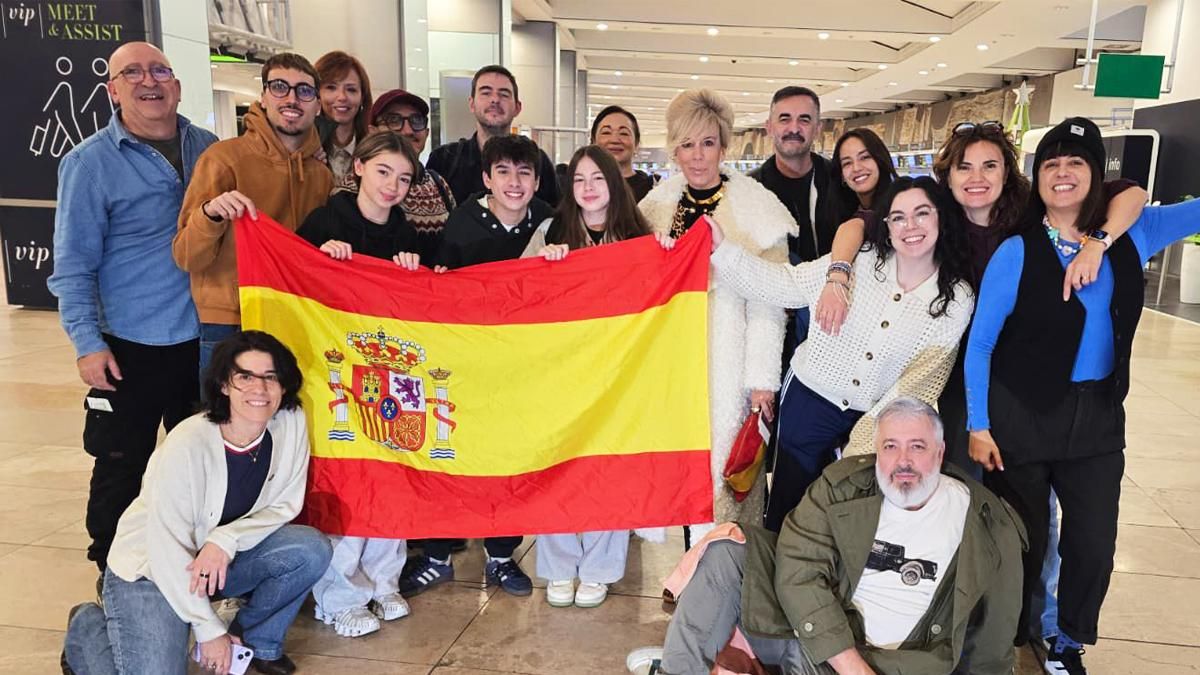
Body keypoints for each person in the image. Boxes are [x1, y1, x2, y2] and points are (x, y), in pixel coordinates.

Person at [965, 116, 1200, 675]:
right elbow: (981, 345)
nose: (1063, 173)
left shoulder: (1130, 235)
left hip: (1096, 418)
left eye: (1076, 163)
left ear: (1097, 176)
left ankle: (1069, 639)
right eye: (1051, 164)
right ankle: (1020, 638)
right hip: (1019, 415)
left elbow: (1181, 207)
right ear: (1037, 178)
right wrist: (979, 424)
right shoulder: (1016, 252)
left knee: (1093, 542)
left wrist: (1103, 236)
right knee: (1024, 542)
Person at [627, 398, 1025, 675]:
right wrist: (849, 664)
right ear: (877, 451)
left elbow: (993, 641)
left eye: (917, 447)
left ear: (940, 453)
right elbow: (799, 569)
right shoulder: (843, 485)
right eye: (891, 446)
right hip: (815, 635)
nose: (903, 462)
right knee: (728, 551)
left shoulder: (989, 526)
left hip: (899, 663)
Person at [697, 176, 974, 533]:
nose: (911, 227)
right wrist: (724, 250)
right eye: (899, 217)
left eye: (922, 214)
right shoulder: (860, 262)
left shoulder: (956, 298)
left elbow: (919, 383)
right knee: (787, 504)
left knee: (846, 513)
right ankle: (777, 582)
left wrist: (862, 442)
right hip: (810, 397)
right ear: (887, 227)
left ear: (942, 219)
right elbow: (786, 284)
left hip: (875, 412)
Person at [61, 330, 333, 675]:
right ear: (223, 385)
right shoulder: (187, 443)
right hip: (153, 571)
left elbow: (285, 505)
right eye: (244, 377)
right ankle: (87, 626)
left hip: (215, 560)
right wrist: (208, 629)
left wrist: (225, 539)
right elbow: (166, 546)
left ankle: (256, 644)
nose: (259, 389)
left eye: (271, 377)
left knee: (308, 549)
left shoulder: (290, 421)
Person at [47, 41, 217, 581]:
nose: (150, 81)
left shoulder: (209, 149)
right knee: (122, 465)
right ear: (112, 90)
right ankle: (113, 574)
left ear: (178, 85)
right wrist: (86, 343)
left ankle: (190, 572)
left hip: (202, 339)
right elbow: (73, 264)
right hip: (129, 344)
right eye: (133, 72)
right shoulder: (89, 164)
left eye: (161, 70)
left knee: (199, 466)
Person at [399, 134, 553, 599]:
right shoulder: (460, 223)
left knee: (512, 462)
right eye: (503, 172)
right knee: (453, 458)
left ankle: (502, 554)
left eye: (524, 173)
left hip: (523, 370)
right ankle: (438, 554)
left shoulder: (550, 223)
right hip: (464, 367)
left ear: (537, 181)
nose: (514, 182)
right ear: (486, 178)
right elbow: (438, 290)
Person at [638, 89, 795, 534]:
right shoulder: (654, 208)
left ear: (723, 146)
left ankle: (724, 577)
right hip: (671, 358)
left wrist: (762, 380)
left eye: (707, 143)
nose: (697, 155)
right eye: (686, 145)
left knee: (727, 474)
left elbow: (770, 300)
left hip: (731, 354)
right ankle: (689, 570)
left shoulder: (756, 209)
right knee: (678, 466)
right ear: (674, 150)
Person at [296, 131, 421, 638]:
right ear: (361, 169)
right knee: (345, 479)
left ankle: (382, 579)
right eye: (385, 171)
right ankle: (336, 593)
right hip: (335, 374)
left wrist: (418, 273)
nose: (393, 186)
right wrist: (317, 258)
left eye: (405, 178)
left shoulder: (407, 231)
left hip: (390, 373)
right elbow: (291, 277)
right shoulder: (326, 220)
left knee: (390, 473)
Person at [520, 145, 650, 609]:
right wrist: (544, 268)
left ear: (614, 183)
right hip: (561, 373)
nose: (588, 188)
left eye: (598, 178)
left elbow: (659, 292)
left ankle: (598, 568)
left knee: (607, 470)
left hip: (618, 375)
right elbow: (518, 293)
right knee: (557, 469)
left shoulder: (638, 236)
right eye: (579, 180)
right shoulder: (550, 231)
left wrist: (674, 254)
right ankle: (557, 567)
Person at [173, 52, 333, 376]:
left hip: (293, 317)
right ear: (263, 97)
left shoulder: (321, 174)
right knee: (225, 423)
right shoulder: (223, 159)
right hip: (230, 322)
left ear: (317, 105)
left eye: (304, 91)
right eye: (279, 87)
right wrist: (211, 215)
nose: (292, 98)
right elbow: (186, 256)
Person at [426, 64, 560, 206]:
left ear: (517, 107)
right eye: (486, 93)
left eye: (504, 94)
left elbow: (556, 219)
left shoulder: (537, 161)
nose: (495, 99)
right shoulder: (444, 160)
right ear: (472, 104)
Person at [367, 89, 456, 262]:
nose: (407, 130)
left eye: (416, 121)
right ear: (373, 131)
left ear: (427, 132)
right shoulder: (355, 187)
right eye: (394, 120)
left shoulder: (439, 184)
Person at [748, 86, 834, 264]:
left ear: (817, 129)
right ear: (769, 127)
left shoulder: (840, 182)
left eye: (804, 120)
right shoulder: (751, 191)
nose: (794, 128)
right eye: (784, 119)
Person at [314, 51, 373, 193]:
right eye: (331, 87)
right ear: (316, 94)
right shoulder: (305, 146)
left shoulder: (374, 149)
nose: (342, 97)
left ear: (362, 98)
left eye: (351, 89)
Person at [590, 105, 655, 201]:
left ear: (636, 144)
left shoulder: (653, 189)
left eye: (624, 133)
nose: (614, 140)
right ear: (593, 141)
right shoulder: (579, 186)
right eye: (606, 132)